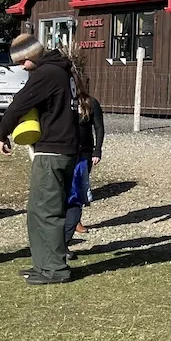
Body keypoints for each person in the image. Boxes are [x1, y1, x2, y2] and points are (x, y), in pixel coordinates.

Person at [0, 33, 80, 286]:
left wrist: (3, 133)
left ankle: (54, 269)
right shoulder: (64, 70)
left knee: (46, 212)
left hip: (52, 151)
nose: (22, 68)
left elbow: (19, 104)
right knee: (39, 210)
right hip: (65, 148)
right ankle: (43, 265)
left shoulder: (47, 74)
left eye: (22, 62)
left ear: (32, 56)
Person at [65, 75, 105, 251]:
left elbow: (99, 127)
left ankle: (76, 219)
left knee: (80, 186)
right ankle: (66, 220)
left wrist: (97, 150)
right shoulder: (65, 103)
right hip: (67, 151)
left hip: (85, 152)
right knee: (66, 186)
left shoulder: (91, 103)